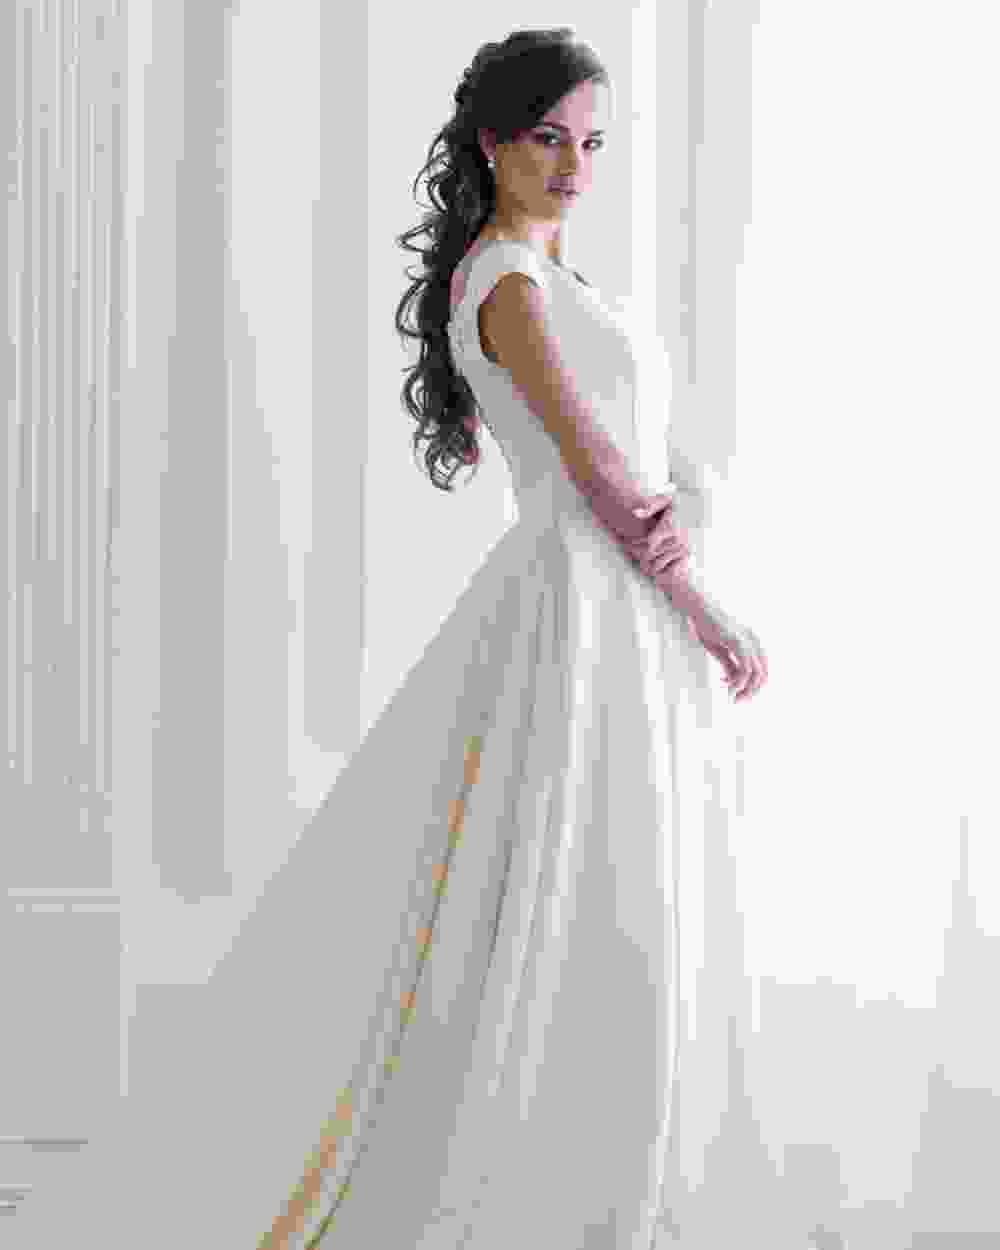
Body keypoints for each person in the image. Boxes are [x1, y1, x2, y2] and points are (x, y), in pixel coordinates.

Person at [258, 26, 767, 1248]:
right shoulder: (507, 286)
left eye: (592, 143)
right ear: (491, 142)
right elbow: (599, 476)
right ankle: (546, 1188)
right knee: (572, 885)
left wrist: (694, 523)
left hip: (615, 603)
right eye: (549, 139)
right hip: (583, 604)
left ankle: (608, 1177)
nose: (574, 166)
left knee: (609, 888)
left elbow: (637, 450)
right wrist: (708, 608)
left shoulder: (553, 277)